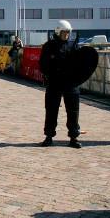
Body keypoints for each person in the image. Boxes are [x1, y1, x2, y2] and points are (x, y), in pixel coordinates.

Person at [39, 20, 82, 149]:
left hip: (71, 84)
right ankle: (49, 136)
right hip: (54, 83)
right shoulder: (48, 46)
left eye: (68, 32)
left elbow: (79, 64)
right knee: (51, 110)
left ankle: (74, 137)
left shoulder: (73, 46)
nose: (67, 35)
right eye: (64, 32)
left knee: (73, 111)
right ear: (58, 32)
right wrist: (51, 73)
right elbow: (43, 64)